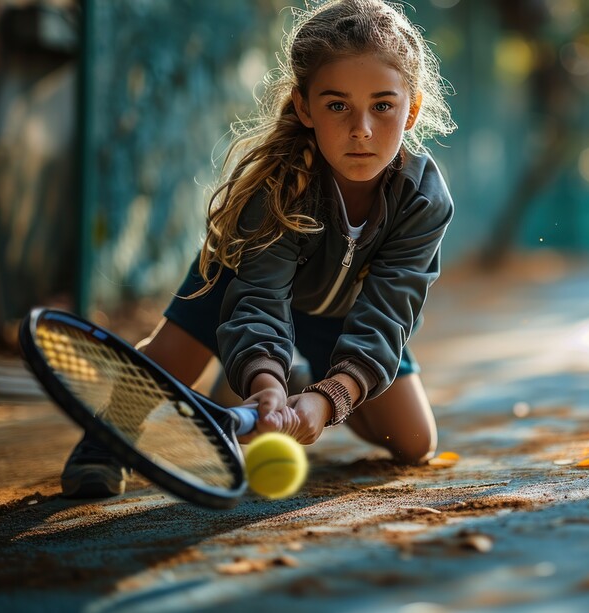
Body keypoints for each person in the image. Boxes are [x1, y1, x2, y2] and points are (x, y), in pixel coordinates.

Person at [62, 0, 456, 498]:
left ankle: (288, 375)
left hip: (344, 318)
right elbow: (260, 300)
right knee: (169, 360)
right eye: (337, 105)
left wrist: (328, 398)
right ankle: (107, 438)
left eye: (383, 106)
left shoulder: (423, 200)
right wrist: (267, 385)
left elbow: (388, 315)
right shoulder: (278, 188)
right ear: (304, 107)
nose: (361, 129)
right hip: (241, 286)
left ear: (412, 108)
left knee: (416, 442)